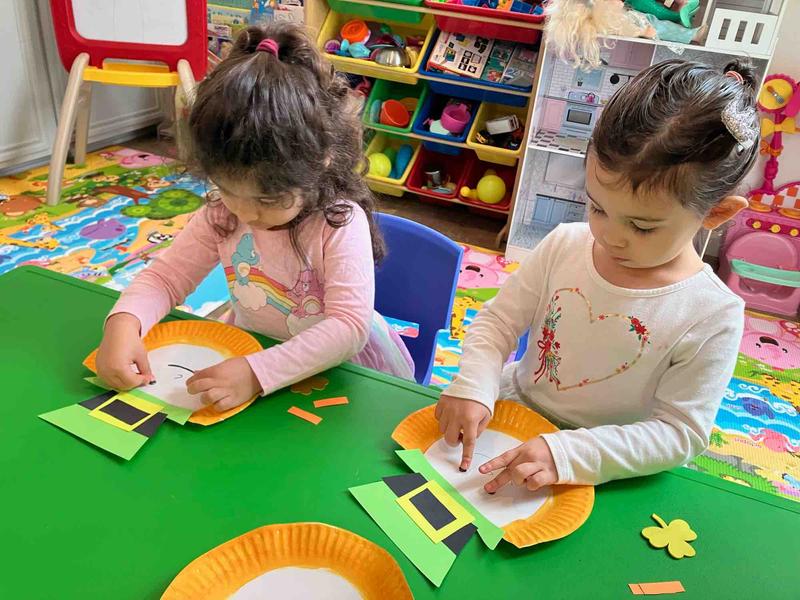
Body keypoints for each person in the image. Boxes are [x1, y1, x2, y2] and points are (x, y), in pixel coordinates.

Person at [436, 59, 759, 494]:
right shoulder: (565, 244)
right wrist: (474, 383)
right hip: (512, 418)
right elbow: (497, 324)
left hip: (602, 467)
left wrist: (571, 454)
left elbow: (680, 432)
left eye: (642, 226)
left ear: (717, 213)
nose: (608, 236)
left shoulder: (712, 314)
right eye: (597, 206)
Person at [95, 23, 414, 412]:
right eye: (228, 190)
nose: (245, 212)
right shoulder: (220, 213)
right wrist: (124, 323)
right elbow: (166, 277)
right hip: (253, 356)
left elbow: (348, 327)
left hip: (340, 372)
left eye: (269, 198)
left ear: (320, 162)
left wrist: (257, 372)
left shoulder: (338, 222)